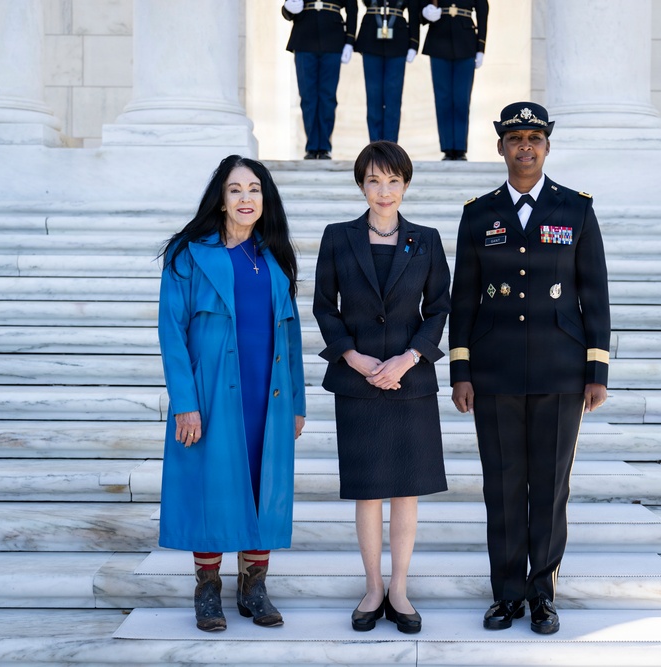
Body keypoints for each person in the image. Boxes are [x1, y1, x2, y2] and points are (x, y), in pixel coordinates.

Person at [448, 102, 611, 635]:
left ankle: (542, 595)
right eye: (515, 137)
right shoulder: (478, 214)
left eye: (534, 137)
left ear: (547, 146)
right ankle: (506, 596)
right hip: (493, 372)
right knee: (502, 487)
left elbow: (595, 294)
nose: (525, 146)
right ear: (500, 147)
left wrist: (596, 370)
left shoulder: (576, 210)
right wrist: (461, 371)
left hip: (561, 371)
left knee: (549, 487)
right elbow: (463, 297)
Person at [157, 155, 306, 632]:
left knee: (264, 487)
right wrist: (185, 403)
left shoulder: (274, 256)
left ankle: (253, 588)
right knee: (212, 486)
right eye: (236, 190)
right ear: (220, 200)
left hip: (269, 393)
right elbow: (170, 331)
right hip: (212, 393)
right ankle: (207, 590)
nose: (246, 199)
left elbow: (293, 335)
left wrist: (298, 404)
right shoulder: (189, 254)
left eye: (255, 189)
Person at [313, 141, 451, 634]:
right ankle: (373, 588)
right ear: (361, 185)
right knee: (369, 493)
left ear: (406, 185)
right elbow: (324, 306)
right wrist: (351, 354)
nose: (384, 190)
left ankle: (399, 588)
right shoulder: (337, 237)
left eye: (393, 180)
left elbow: (438, 308)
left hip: (409, 382)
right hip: (358, 382)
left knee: (406, 493)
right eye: (374, 180)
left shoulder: (428, 240)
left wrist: (409, 357)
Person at [282, 0, 358, 159]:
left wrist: (350, 41)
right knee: (308, 96)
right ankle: (311, 146)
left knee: (327, 97)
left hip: (333, 38)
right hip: (304, 38)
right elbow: (290, 7)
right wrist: (287, 9)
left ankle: (324, 146)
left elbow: (352, 8)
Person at [419, 1, 489, 161]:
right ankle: (447, 147)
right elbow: (421, 7)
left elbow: (483, 13)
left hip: (466, 43)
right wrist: (425, 12)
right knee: (442, 99)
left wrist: (481, 48)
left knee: (461, 99)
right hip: (438, 41)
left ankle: (460, 147)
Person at [354, 0, 421, 143]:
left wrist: (414, 42)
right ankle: (375, 146)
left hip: (398, 38)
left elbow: (414, 10)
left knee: (393, 99)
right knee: (373, 98)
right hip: (371, 36)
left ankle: (391, 147)